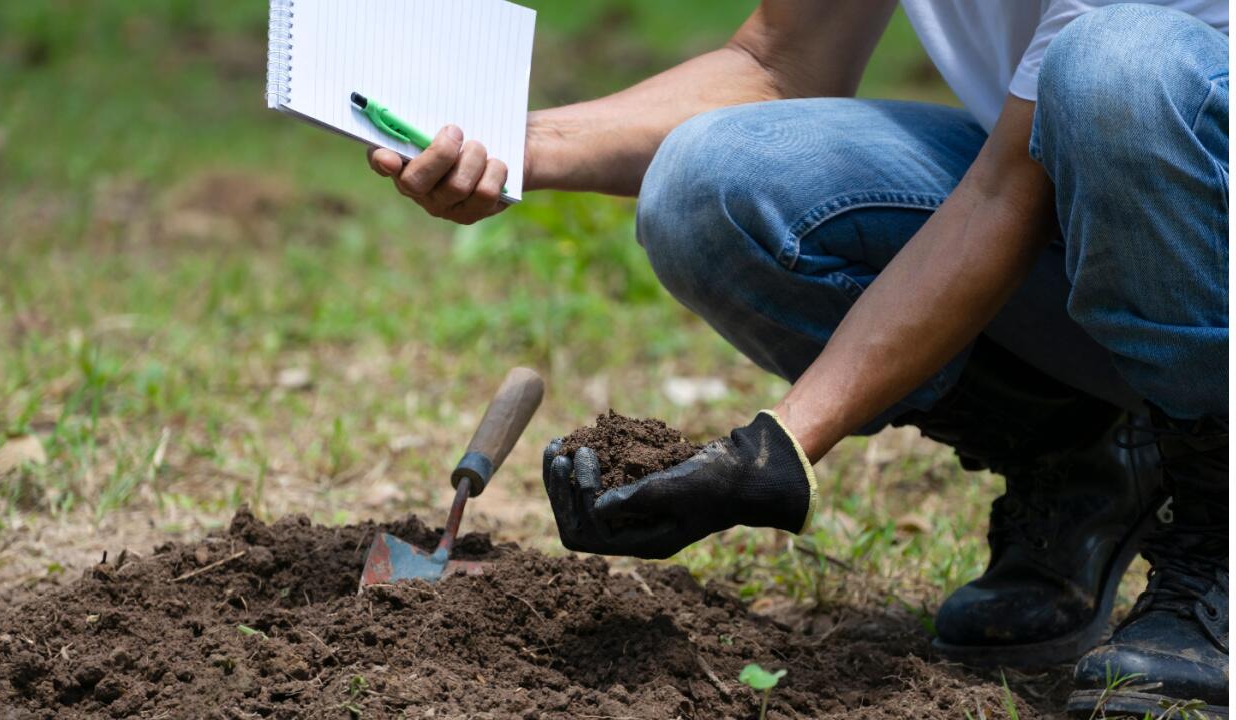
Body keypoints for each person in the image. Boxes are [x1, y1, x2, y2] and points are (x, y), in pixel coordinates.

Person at [365, 1, 1229, 714]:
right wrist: (517, 143)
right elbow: (776, 67)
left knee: (1117, 70)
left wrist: (780, 449)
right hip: (1071, 189)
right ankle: (1082, 453)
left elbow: (1006, 194)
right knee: (710, 185)